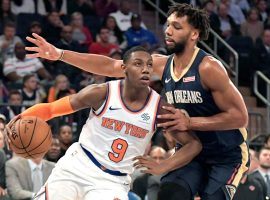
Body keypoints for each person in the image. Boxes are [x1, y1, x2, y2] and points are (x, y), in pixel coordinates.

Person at [25, 3, 249, 199]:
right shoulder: (161, 64)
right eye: (168, 25)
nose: (168, 31)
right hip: (191, 148)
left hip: (225, 153)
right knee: (170, 192)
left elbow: (240, 117)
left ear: (194, 34)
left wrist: (191, 123)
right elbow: (109, 66)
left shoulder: (208, 68)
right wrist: (60, 54)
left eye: (177, 27)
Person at [8, 47, 202, 200]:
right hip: (78, 165)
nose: (145, 69)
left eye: (149, 65)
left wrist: (164, 165)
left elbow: (193, 144)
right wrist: (21, 117)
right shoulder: (101, 93)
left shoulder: (159, 107)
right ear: (123, 68)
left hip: (112, 181)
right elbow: (51, 109)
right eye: (138, 63)